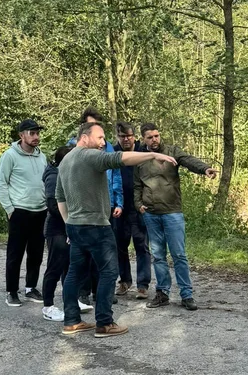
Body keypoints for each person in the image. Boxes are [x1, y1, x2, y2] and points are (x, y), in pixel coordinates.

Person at [56, 121, 177, 337]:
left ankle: (71, 321)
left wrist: (68, 223)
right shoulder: (88, 155)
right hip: (96, 227)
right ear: (84, 137)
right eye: (100, 137)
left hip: (75, 226)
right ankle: (104, 323)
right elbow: (119, 158)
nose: (104, 142)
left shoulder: (66, 160)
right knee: (109, 271)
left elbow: (60, 197)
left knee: (74, 272)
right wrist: (151, 155)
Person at [135, 122, 217, 311]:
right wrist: (138, 205)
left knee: (179, 255)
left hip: (172, 212)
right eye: (150, 137)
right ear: (143, 139)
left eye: (156, 136)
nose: (154, 139)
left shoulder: (172, 151)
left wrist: (204, 169)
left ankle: (186, 295)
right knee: (158, 255)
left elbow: (189, 160)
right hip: (151, 213)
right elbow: (137, 185)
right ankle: (162, 293)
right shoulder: (140, 158)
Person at [68, 107, 123, 306]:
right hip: (83, 210)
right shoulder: (71, 149)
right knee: (82, 258)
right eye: (91, 125)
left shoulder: (106, 146)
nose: (100, 138)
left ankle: (102, 292)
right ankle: (84, 294)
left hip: (104, 207)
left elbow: (115, 173)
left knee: (104, 255)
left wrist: (119, 202)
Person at [0, 118, 48, 307]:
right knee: (15, 254)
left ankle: (30, 288)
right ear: (21, 135)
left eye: (37, 133)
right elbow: (1, 183)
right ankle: (11, 291)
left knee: (36, 253)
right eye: (32, 133)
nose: (36, 137)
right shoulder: (10, 156)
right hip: (19, 212)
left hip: (40, 211)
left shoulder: (41, 156)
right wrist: (9, 209)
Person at [41, 146, 94, 322]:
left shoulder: (70, 173)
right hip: (57, 229)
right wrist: (72, 217)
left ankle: (70, 301)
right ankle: (47, 306)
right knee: (55, 268)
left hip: (70, 227)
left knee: (69, 268)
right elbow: (53, 204)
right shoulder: (54, 176)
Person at [114, 121, 151, 299]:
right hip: (118, 207)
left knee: (142, 246)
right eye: (122, 136)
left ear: (134, 136)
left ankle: (142, 285)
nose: (126, 139)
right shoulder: (112, 153)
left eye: (129, 136)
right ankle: (124, 280)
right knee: (119, 246)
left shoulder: (143, 152)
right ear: (117, 137)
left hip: (139, 207)